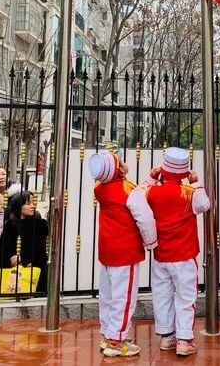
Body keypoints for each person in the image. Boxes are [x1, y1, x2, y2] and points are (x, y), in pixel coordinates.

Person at [91, 152, 157, 357]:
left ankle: (108, 334)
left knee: (108, 296)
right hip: (126, 251)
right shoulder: (130, 191)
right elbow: (145, 218)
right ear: (118, 168)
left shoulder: (100, 189)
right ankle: (116, 341)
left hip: (107, 250)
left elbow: (135, 191)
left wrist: (149, 180)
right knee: (124, 298)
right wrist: (151, 242)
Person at [146, 147, 210, 357]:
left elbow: (138, 194)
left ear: (163, 169)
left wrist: (152, 177)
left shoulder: (152, 192)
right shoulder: (189, 192)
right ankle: (184, 340)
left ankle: (167, 337)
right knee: (185, 297)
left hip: (161, 255)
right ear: (184, 172)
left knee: (162, 296)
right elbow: (205, 204)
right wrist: (196, 182)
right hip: (184, 255)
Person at [0, 191, 49, 293]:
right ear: (18, 205)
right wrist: (11, 258)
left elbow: (40, 250)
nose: (32, 206)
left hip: (35, 271)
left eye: (33, 203)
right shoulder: (9, 226)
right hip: (13, 272)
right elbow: (3, 249)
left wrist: (24, 258)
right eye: (28, 204)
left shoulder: (40, 225)